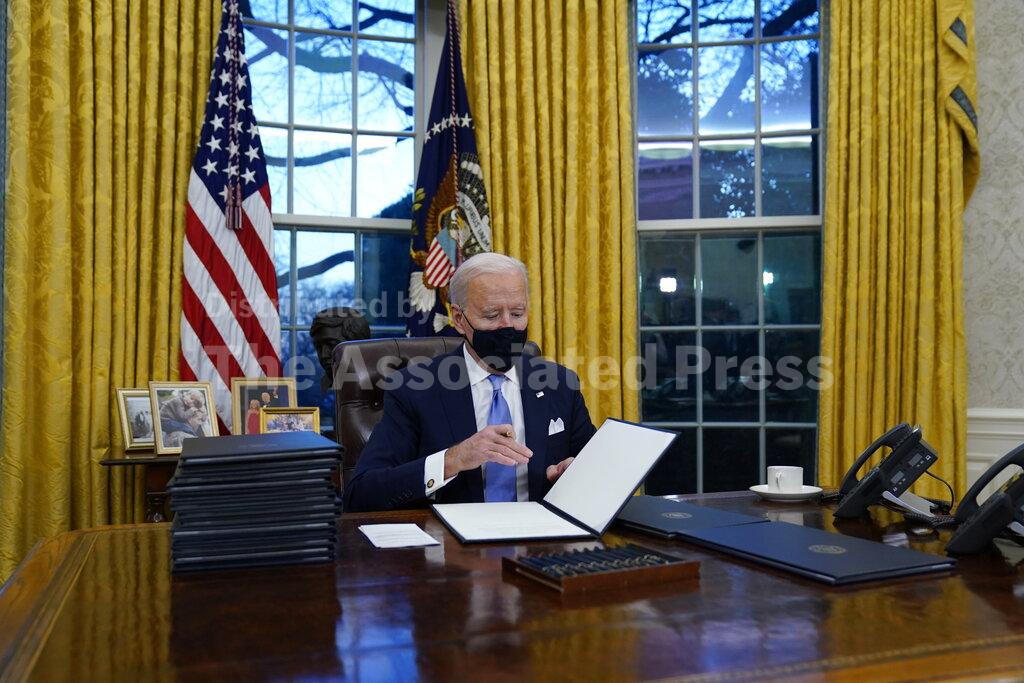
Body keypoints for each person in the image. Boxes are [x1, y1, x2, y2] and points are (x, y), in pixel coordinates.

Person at [344, 252, 597, 512]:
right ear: (458, 318)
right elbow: (362, 493)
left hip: (540, 543)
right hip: (453, 546)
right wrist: (453, 459)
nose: (507, 326)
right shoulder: (415, 388)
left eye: (518, 313)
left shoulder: (559, 384)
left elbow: (599, 471)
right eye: (491, 315)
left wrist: (576, 474)